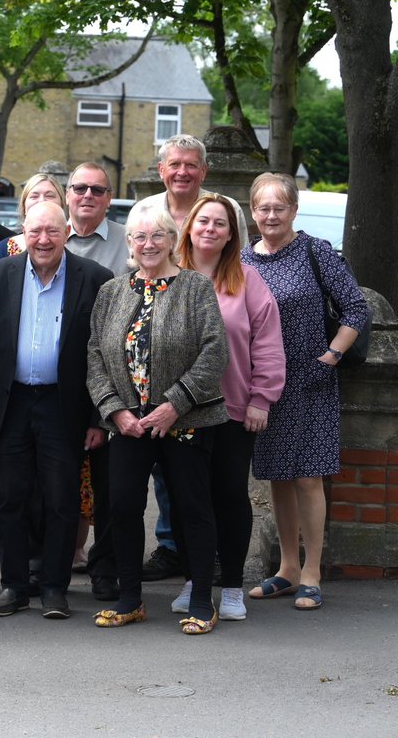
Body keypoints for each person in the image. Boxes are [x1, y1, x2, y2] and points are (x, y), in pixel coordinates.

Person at [87, 203, 228, 634]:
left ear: (172, 240)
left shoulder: (195, 288)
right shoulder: (112, 292)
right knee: (123, 507)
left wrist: (174, 405)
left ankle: (202, 600)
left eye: (157, 236)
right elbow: (94, 355)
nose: (148, 244)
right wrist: (115, 409)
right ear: (129, 243)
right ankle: (130, 599)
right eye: (139, 237)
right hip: (129, 424)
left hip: (185, 421)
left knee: (192, 509)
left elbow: (214, 352)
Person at [0, 202, 112, 620]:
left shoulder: (94, 278)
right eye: (35, 232)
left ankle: (54, 588)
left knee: (62, 498)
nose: (43, 240)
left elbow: (103, 354)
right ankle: (13, 586)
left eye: (52, 231)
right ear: (22, 234)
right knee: (11, 497)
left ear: (67, 231)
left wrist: (96, 418)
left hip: (64, 405)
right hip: (9, 403)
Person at [242, 172, 369, 611]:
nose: (271, 215)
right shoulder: (243, 260)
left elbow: (356, 307)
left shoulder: (315, 251)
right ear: (252, 212)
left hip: (311, 380)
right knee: (277, 475)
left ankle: (313, 571)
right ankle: (287, 568)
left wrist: (331, 356)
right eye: (263, 208)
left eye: (280, 207)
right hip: (265, 385)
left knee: (308, 476)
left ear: (294, 210)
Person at [129, 134, 245, 582]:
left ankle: (203, 551)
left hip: (205, 362)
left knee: (200, 472)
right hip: (153, 354)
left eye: (191, 165)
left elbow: (241, 259)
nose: (182, 171)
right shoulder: (145, 212)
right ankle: (171, 545)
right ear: (161, 170)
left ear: (204, 170)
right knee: (162, 467)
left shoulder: (222, 210)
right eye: (174, 164)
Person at [176, 193, 285, 620]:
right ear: (189, 227)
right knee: (187, 501)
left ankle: (232, 586)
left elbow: (269, 346)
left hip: (234, 410)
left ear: (231, 235)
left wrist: (262, 399)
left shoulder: (247, 280)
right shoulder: (171, 275)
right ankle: (193, 580)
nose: (209, 229)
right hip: (179, 413)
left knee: (229, 498)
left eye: (219, 224)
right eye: (203, 221)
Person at [63, 162, 130, 602]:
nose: (88, 195)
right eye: (80, 188)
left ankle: (106, 570)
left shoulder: (131, 239)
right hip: (58, 379)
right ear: (66, 194)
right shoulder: (41, 233)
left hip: (114, 379)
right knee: (54, 481)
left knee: (111, 486)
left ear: (109, 198)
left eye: (98, 190)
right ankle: (49, 568)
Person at [0, 173, 67, 263]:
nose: (41, 201)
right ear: (24, 206)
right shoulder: (3, 251)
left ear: (61, 204)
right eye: (34, 196)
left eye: (49, 196)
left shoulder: (74, 251)